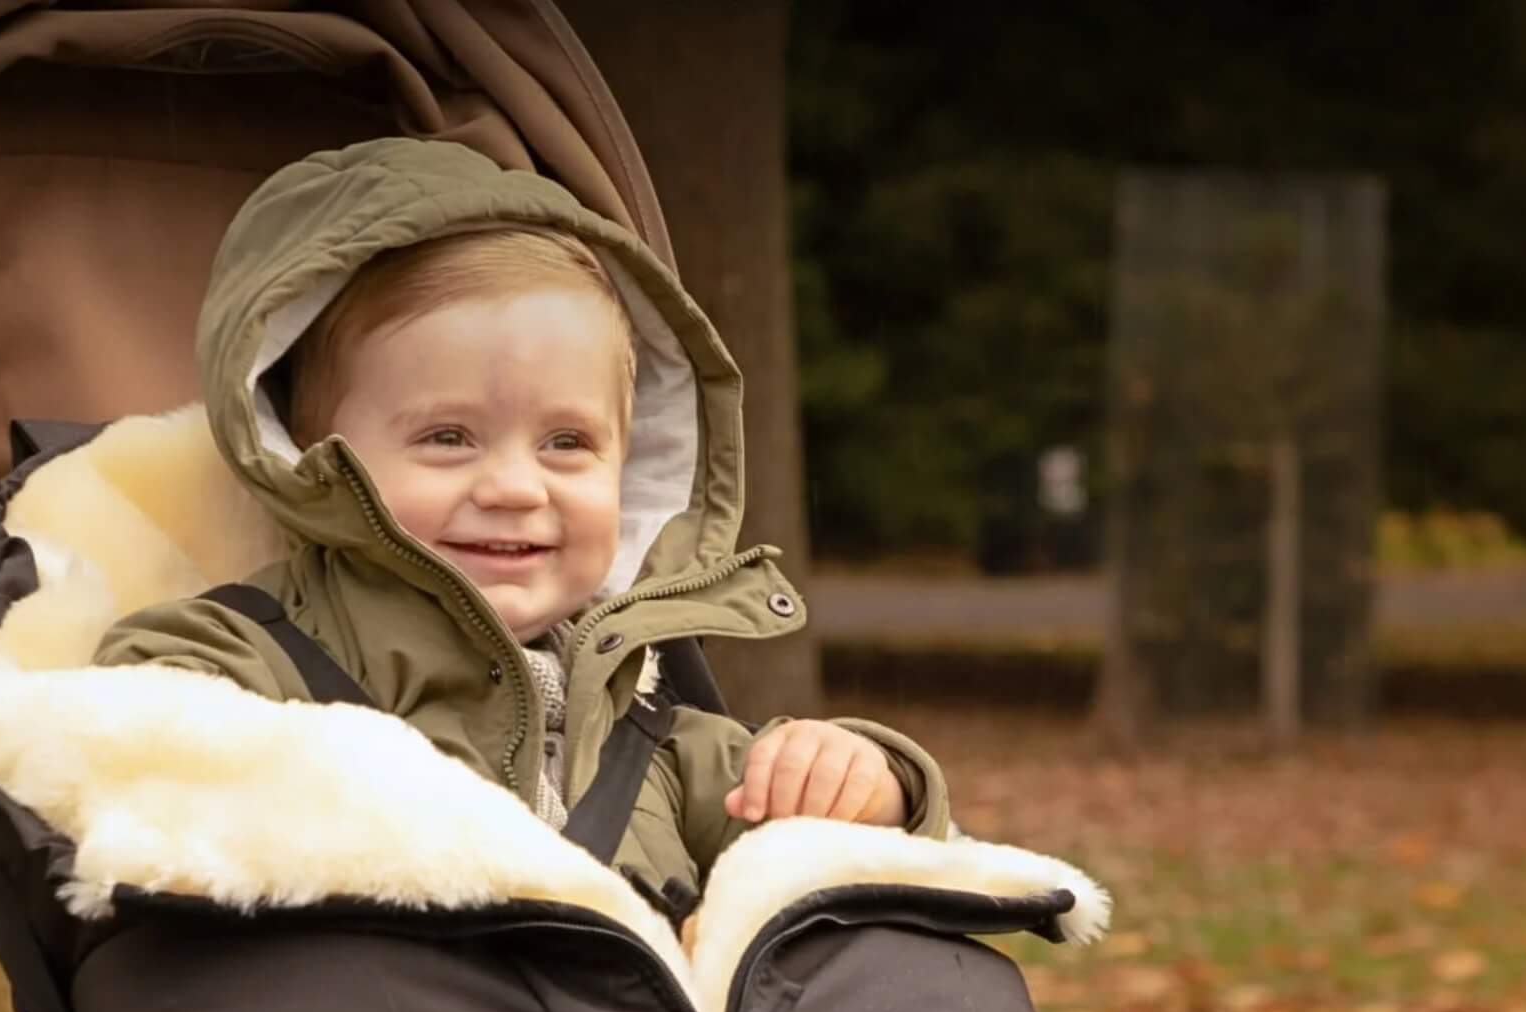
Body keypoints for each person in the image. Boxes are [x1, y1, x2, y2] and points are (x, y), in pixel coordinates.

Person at [88, 136, 952, 920]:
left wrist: (870, 780)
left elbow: (814, 843)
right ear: (313, 460)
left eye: (567, 443)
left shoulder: (648, 729)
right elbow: (133, 724)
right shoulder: (254, 650)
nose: (512, 487)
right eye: (447, 437)